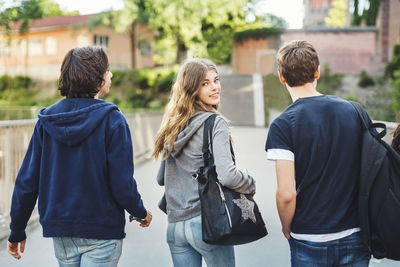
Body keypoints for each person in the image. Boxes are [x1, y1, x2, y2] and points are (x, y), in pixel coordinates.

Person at [7, 46, 152, 266]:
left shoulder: (47, 121)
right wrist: (140, 211)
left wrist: (17, 229)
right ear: (97, 78)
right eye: (107, 70)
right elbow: (121, 182)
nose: (111, 74)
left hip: (62, 231)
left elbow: (28, 181)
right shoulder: (112, 119)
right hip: (102, 230)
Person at [265, 40, 371, 266]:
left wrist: (286, 226)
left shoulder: (283, 125)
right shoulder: (354, 111)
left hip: (309, 237)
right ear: (317, 71)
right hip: (355, 233)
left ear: (281, 76)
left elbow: (286, 194)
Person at [152, 58, 255, 267]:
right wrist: (249, 182)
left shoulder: (172, 126)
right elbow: (227, 175)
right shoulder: (215, 123)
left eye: (216, 80)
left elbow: (161, 178)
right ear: (191, 88)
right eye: (205, 83)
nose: (215, 87)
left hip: (175, 228)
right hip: (207, 223)